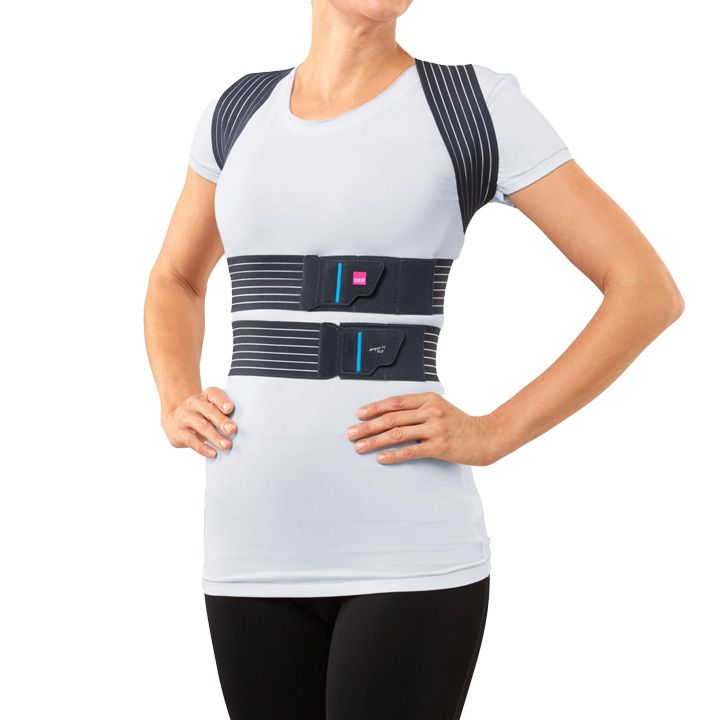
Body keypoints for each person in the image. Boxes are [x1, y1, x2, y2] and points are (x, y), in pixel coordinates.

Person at [143, 1, 684, 718]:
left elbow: (646, 291)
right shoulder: (237, 111)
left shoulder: (471, 105)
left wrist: (494, 432)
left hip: (407, 551)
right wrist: (175, 395)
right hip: (250, 547)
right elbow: (176, 280)